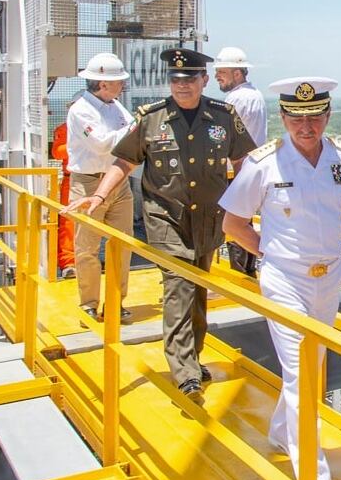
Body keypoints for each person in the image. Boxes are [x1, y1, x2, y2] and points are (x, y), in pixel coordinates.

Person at [65, 48, 255, 397]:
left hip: (208, 218)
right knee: (179, 284)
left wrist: (248, 203)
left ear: (204, 80)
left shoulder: (223, 116)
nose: (181, 86)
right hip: (166, 217)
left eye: (189, 80)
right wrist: (100, 196)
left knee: (197, 287)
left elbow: (242, 160)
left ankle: (194, 358)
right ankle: (184, 372)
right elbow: (123, 162)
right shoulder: (151, 119)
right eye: (175, 80)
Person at [219, 77, 341, 480]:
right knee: (303, 374)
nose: (307, 126)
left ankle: (282, 431)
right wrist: (276, 252)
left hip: (329, 277)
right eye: (297, 118)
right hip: (285, 279)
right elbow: (232, 223)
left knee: (310, 364)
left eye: (315, 116)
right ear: (283, 118)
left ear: (327, 116)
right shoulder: (265, 164)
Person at [64, 52, 137, 321]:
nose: (122, 86)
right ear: (104, 84)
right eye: (118, 82)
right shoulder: (80, 110)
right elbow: (103, 143)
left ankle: (116, 302)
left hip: (118, 180)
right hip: (89, 184)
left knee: (123, 244)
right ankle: (89, 303)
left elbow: (129, 131)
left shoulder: (115, 106)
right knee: (87, 247)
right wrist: (133, 130)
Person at [214, 46, 267, 279]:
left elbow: (221, 136)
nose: (217, 76)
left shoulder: (236, 98)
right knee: (244, 221)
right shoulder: (255, 94)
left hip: (236, 169)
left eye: (222, 72)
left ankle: (240, 277)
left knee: (233, 223)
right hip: (251, 168)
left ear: (237, 73)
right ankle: (247, 272)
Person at [48, 118, 75, 278]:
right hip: (72, 179)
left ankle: (91, 261)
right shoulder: (65, 128)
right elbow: (57, 152)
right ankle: (69, 263)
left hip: (102, 178)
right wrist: (82, 141)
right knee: (69, 222)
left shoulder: (104, 123)